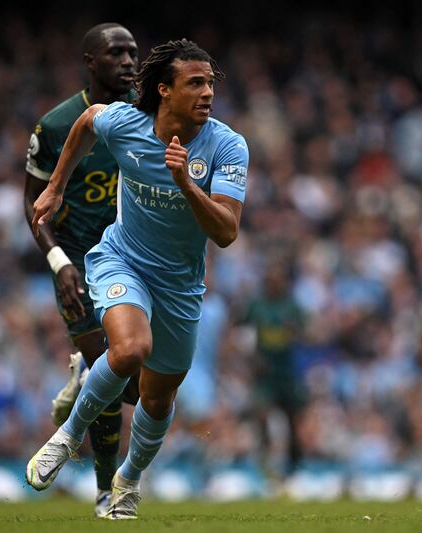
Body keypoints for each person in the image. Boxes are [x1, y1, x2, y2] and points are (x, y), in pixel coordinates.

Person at [25, 39, 249, 520]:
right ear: (164, 90)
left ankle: (128, 478)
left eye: (210, 82)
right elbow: (87, 121)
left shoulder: (228, 145)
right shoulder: (127, 124)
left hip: (181, 287)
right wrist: (56, 187)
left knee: (156, 395)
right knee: (130, 350)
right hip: (121, 260)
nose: (208, 92)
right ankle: (65, 440)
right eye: (196, 83)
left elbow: (227, 232)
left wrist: (188, 183)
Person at [22, 22, 141, 517]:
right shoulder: (54, 127)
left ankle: (82, 380)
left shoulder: (150, 115)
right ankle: (103, 491)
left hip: (135, 262)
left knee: (138, 386)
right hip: (78, 266)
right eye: (118, 53)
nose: (130, 61)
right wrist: (59, 263)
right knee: (116, 376)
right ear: (91, 62)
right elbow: (32, 203)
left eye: (134, 53)